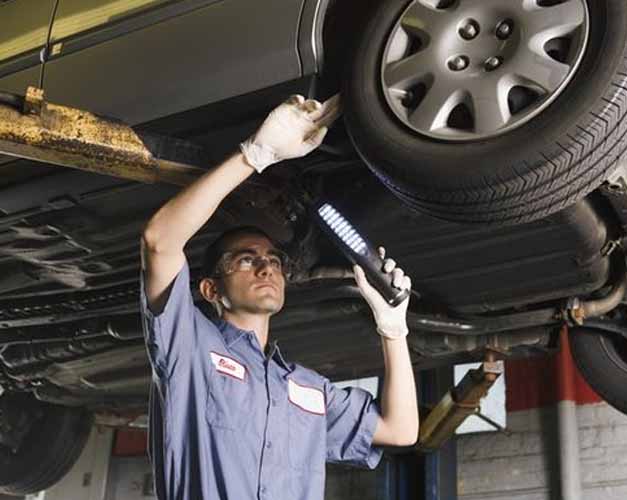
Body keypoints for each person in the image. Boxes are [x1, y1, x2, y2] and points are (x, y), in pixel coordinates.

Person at [140, 94, 419, 500]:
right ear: (211, 289)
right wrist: (256, 154)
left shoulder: (306, 389)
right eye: (246, 259)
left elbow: (401, 430)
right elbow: (159, 240)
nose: (266, 267)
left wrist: (394, 330)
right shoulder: (191, 347)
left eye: (273, 260)